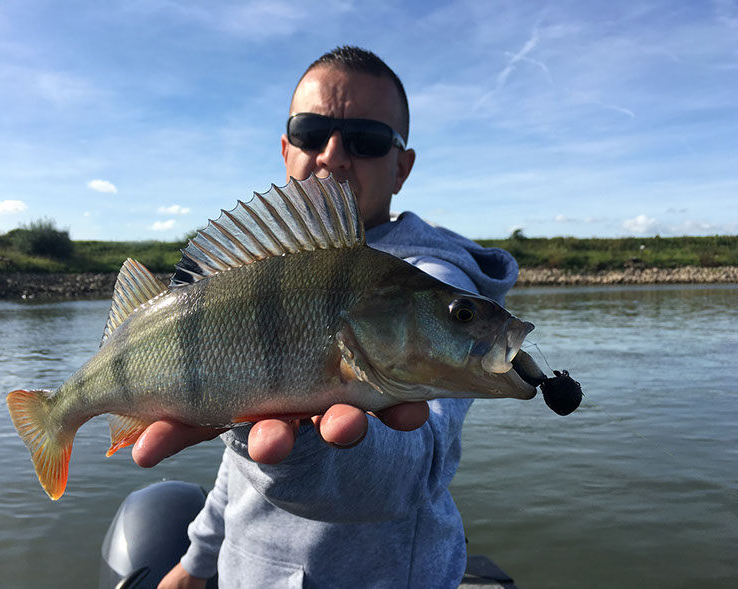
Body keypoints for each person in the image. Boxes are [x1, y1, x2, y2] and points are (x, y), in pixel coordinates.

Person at [137, 46, 520, 589]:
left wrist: (305, 441)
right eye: (311, 132)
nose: (333, 156)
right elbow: (237, 462)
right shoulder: (250, 271)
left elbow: (415, 468)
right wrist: (195, 564)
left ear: (402, 167)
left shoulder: (432, 280)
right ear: (286, 149)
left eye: (366, 139)